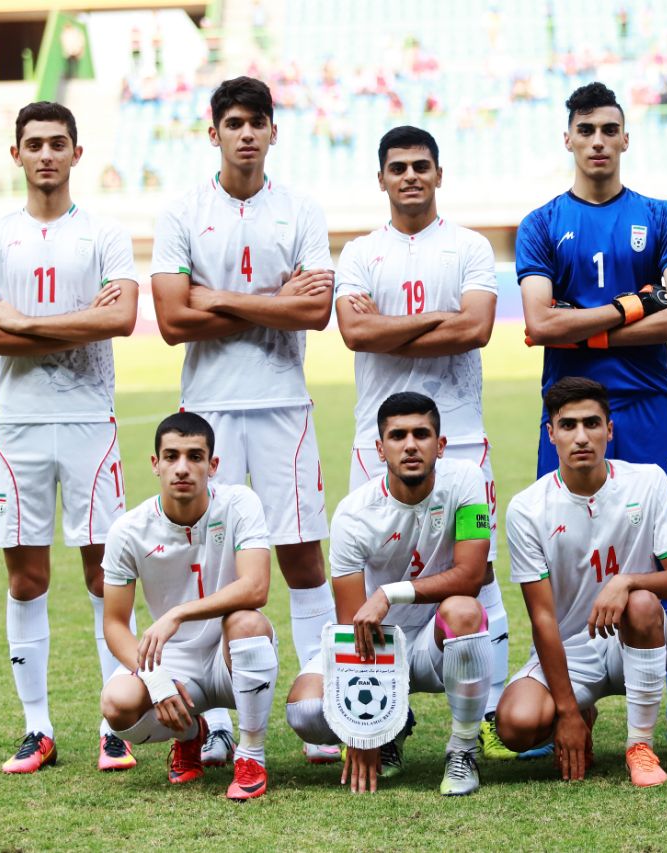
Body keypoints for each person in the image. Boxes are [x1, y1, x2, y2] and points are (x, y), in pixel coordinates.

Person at [515, 81, 667, 751]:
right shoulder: (542, 223)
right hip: (570, 411)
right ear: (567, 139)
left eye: (609, 129)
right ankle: (565, 695)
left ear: (626, 137)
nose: (597, 141)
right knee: (557, 551)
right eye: (586, 130)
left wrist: (583, 327)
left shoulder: (661, 216)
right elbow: (540, 323)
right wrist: (632, 306)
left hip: (648, 405)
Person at [151, 76, 340, 764]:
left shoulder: (300, 209)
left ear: (273, 131)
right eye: (234, 122)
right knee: (209, 562)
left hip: (283, 405)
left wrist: (218, 297)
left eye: (257, 121)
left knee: (301, 554)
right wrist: (272, 300)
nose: (247, 133)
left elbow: (314, 312)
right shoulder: (182, 212)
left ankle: (320, 706)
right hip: (207, 412)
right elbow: (173, 320)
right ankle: (217, 720)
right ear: (214, 133)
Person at [0, 101, 139, 774]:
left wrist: (23, 323)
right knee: (27, 576)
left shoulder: (104, 234)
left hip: (91, 420)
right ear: (16, 154)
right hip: (19, 426)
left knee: (103, 571)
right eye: (33, 144)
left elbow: (120, 319)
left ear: (76, 153)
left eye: (57, 143)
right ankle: (37, 727)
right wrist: (77, 319)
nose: (45, 154)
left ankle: (112, 725)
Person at [334, 126, 513, 760]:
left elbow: (478, 328)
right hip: (377, 440)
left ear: (439, 174)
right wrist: (441, 318)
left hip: (460, 435)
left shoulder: (469, 246)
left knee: (478, 571)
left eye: (420, 166)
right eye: (398, 167)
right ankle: (385, 713)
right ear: (381, 178)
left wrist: (391, 327)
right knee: (376, 573)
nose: (410, 176)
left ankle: (487, 714)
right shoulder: (360, 253)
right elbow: (355, 334)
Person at [285, 393, 493, 795]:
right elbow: (353, 628)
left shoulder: (466, 480)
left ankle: (463, 750)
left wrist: (388, 594)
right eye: (398, 436)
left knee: (465, 610)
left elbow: (471, 577)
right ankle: (393, 725)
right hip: (376, 643)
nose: (410, 445)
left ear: (440, 445)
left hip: (435, 645)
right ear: (380, 449)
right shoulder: (354, 514)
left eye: (421, 434)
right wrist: (363, 730)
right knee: (305, 711)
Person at [495, 378, 667, 787]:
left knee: (641, 603)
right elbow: (542, 619)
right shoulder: (527, 508)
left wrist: (626, 582)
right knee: (515, 725)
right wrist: (566, 712)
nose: (581, 436)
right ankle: (582, 712)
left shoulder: (648, 481)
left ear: (610, 430)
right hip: (570, 650)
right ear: (551, 434)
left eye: (592, 423)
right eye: (568, 425)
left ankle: (640, 746)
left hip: (636, 638)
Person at [99, 413, 280, 800]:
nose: (182, 468)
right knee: (116, 705)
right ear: (155, 464)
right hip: (174, 660)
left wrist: (178, 613)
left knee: (247, 623)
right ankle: (190, 734)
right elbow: (114, 624)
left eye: (195, 456)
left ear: (212, 465)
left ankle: (251, 755)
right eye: (171, 456)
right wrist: (155, 681)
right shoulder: (128, 530)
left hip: (229, 654)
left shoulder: (240, 503)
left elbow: (256, 587)